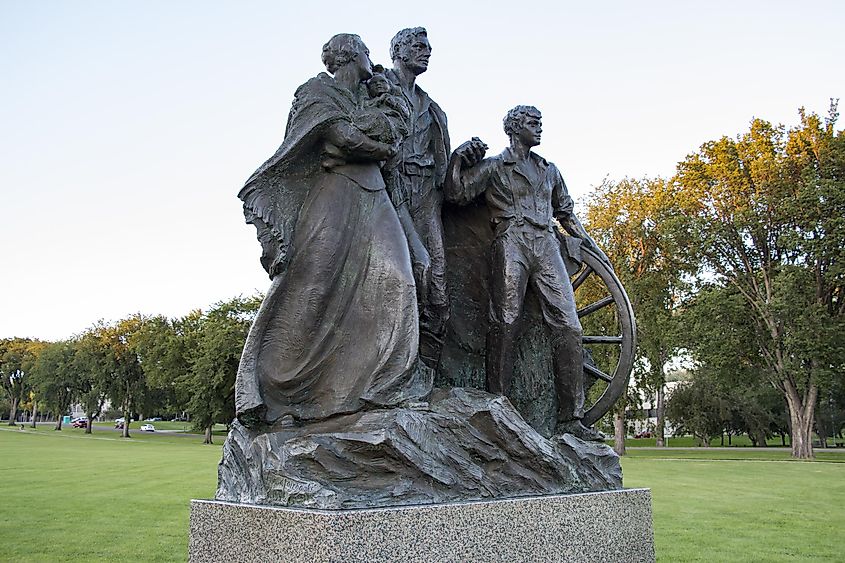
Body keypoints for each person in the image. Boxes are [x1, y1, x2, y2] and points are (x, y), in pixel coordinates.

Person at [234, 34, 431, 427]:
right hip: (333, 197)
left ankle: (386, 386)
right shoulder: (315, 91)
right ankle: (278, 393)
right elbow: (343, 137)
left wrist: (373, 136)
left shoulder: (374, 96)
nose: (372, 61)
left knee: (400, 280)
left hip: (374, 196)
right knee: (311, 290)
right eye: (367, 54)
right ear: (350, 55)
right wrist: (373, 144)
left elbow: (391, 132)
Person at [444, 105, 608, 441]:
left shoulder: (550, 171)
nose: (539, 128)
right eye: (533, 123)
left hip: (546, 242)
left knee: (569, 325)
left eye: (540, 123)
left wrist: (594, 249)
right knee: (505, 320)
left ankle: (571, 418)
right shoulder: (494, 167)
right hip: (511, 239)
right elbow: (457, 194)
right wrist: (457, 160)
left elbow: (567, 215)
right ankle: (498, 403)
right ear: (515, 128)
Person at [385, 27, 451, 369]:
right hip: (386, 193)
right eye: (419, 46)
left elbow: (446, 175)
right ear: (398, 50)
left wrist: (464, 160)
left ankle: (427, 373)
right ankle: (394, 367)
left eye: (428, 46)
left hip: (425, 196)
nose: (427, 52)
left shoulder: (433, 109)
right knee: (411, 273)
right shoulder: (378, 87)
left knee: (437, 288)